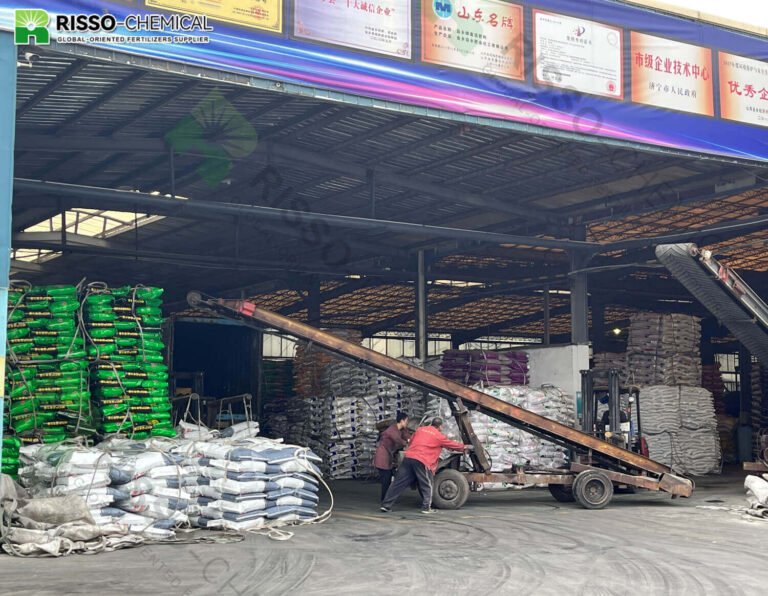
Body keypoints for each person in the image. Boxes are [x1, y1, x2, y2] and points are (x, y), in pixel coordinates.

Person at [380, 417, 470, 514]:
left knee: (398, 483)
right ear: (440, 427)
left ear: (431, 423)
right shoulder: (438, 436)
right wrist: (464, 447)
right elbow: (450, 444)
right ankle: (426, 507)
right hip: (422, 460)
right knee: (427, 484)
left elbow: (411, 441)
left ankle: (386, 505)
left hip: (409, 457)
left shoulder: (420, 430)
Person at [373, 412, 410, 502]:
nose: (407, 423)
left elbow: (406, 435)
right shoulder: (392, 431)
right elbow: (399, 441)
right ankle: (384, 500)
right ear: (402, 421)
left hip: (388, 456)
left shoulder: (401, 429)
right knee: (386, 480)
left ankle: (386, 499)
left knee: (388, 479)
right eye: (406, 421)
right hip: (382, 457)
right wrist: (409, 444)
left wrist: (410, 439)